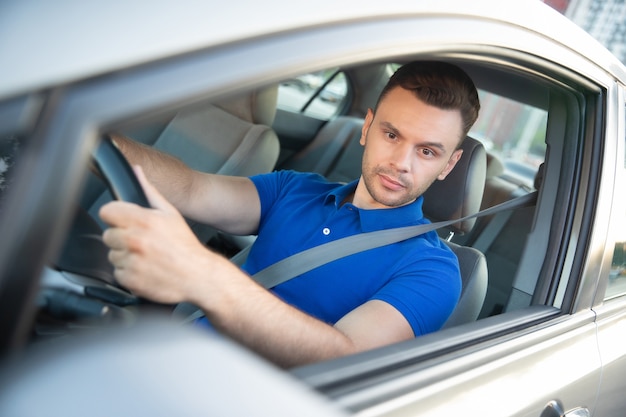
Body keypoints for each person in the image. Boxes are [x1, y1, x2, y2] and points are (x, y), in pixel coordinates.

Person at [99, 61, 480, 368]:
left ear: (449, 164)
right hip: (159, 357)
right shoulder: (294, 189)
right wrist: (86, 139)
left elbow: (344, 356)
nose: (401, 163)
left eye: (427, 152)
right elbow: (190, 188)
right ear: (366, 127)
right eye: (392, 135)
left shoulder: (432, 269)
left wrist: (202, 273)